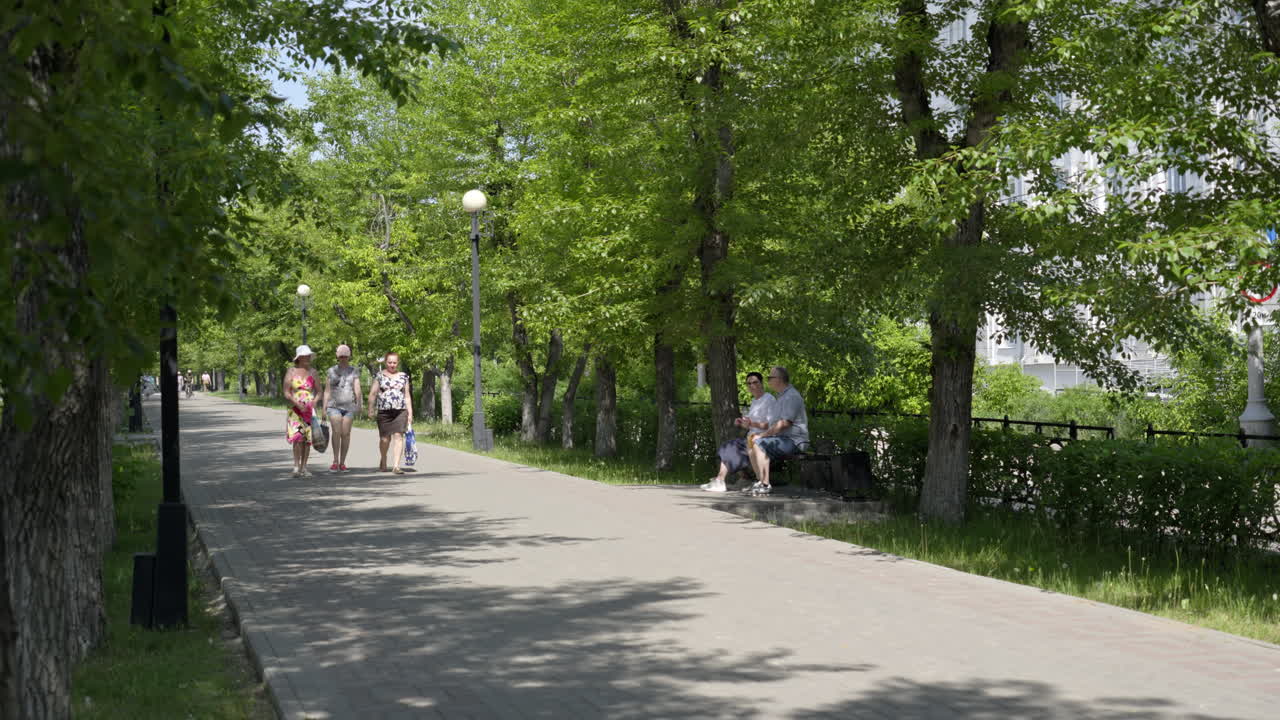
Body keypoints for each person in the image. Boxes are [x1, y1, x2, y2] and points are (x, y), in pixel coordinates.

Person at [701, 372, 775, 493]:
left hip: (762, 439)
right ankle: (720, 480)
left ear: (762, 383)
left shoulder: (769, 399)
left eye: (755, 382)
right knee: (728, 446)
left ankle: (724, 481)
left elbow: (770, 425)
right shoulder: (754, 401)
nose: (752, 385)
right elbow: (750, 422)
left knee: (734, 447)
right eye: (749, 383)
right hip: (751, 438)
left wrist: (751, 424)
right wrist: (741, 422)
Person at [745, 366, 809, 496]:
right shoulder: (780, 396)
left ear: (779, 379)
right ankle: (760, 481)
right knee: (753, 442)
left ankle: (765, 484)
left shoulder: (791, 396)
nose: (768, 381)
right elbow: (773, 423)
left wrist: (762, 435)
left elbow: (784, 423)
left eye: (770, 378)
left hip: (795, 441)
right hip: (783, 439)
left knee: (758, 443)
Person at [367, 350, 413, 474]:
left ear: (398, 363)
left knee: (398, 436)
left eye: (394, 362)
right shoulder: (380, 375)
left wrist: (410, 413)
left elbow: (407, 395)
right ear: (386, 362)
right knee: (384, 439)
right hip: (384, 412)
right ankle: (383, 458)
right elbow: (372, 393)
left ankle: (396, 466)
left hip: (400, 411)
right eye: (389, 362)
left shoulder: (404, 376)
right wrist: (370, 409)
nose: (392, 365)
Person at [284, 345, 324, 478]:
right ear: (299, 358)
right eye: (305, 356)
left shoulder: (313, 372)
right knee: (297, 438)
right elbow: (286, 392)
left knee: (307, 439)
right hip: (295, 409)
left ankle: (304, 467)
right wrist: (296, 403)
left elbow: (319, 392)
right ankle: (296, 466)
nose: (307, 358)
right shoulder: (291, 371)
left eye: (309, 356)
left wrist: (314, 402)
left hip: (309, 410)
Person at [324, 344, 362, 472]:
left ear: (349, 356)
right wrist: (324, 408)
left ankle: (342, 462)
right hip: (334, 405)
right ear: (337, 356)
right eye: (341, 356)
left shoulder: (354, 371)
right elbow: (327, 391)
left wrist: (359, 404)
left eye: (345, 356)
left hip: (349, 406)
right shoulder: (331, 371)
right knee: (336, 431)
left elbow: (357, 388)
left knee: (346, 434)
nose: (343, 358)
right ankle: (335, 461)